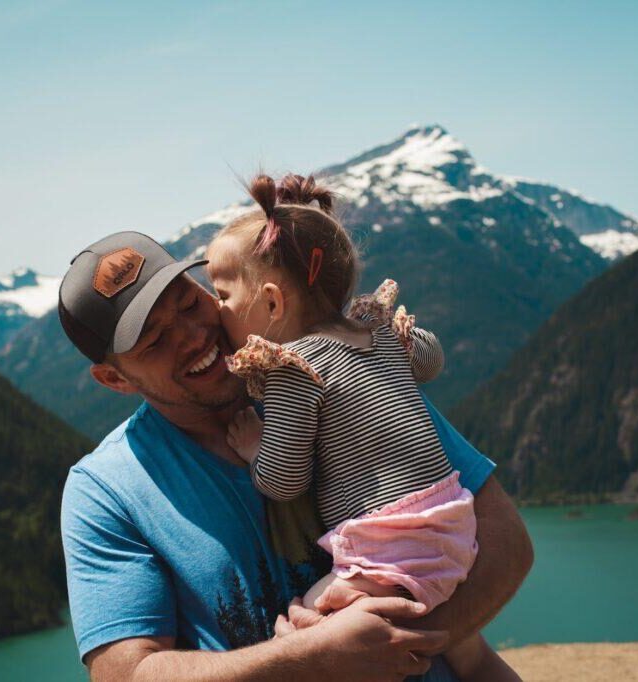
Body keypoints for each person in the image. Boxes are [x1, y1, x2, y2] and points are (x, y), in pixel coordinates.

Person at [58, 230, 533, 681]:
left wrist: (401, 642)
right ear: (114, 379)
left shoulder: (335, 365)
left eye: (188, 302)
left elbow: (507, 543)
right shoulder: (104, 491)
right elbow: (126, 673)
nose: (192, 335)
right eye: (155, 340)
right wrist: (315, 662)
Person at [206, 173, 519, 681]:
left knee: (310, 634)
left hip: (389, 545)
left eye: (222, 294)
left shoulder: (294, 368)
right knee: (471, 655)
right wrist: (402, 341)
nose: (215, 309)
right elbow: (430, 360)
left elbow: (285, 481)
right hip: (453, 522)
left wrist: (254, 449)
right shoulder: (374, 329)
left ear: (270, 302)